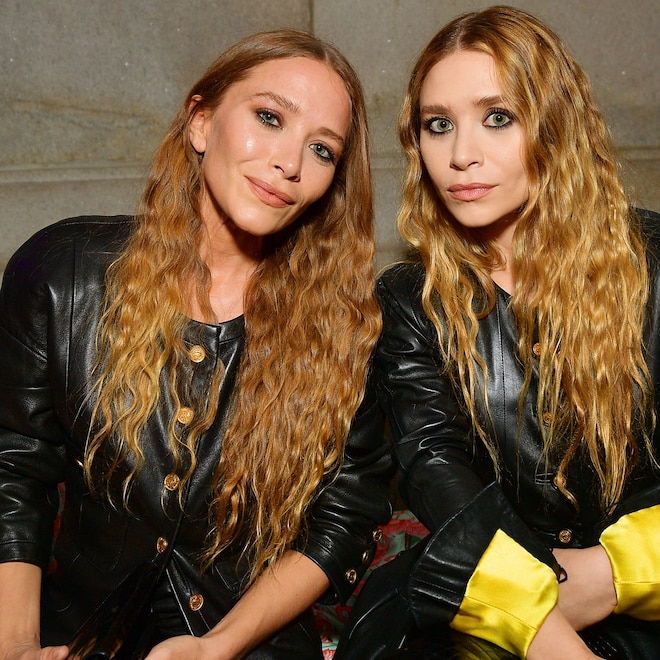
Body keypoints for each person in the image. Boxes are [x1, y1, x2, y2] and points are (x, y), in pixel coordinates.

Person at [0, 29, 393, 660]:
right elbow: (16, 467)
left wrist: (220, 646)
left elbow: (344, 519)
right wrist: (16, 645)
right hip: (79, 638)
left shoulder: (347, 329)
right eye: (270, 118)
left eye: (321, 149)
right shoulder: (61, 273)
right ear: (201, 122)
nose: (290, 163)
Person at [336, 5, 660, 660]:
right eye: (438, 125)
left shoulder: (650, 263)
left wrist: (612, 573)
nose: (461, 155)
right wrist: (546, 627)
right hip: (479, 595)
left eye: (498, 117)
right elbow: (437, 474)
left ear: (555, 124)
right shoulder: (411, 301)